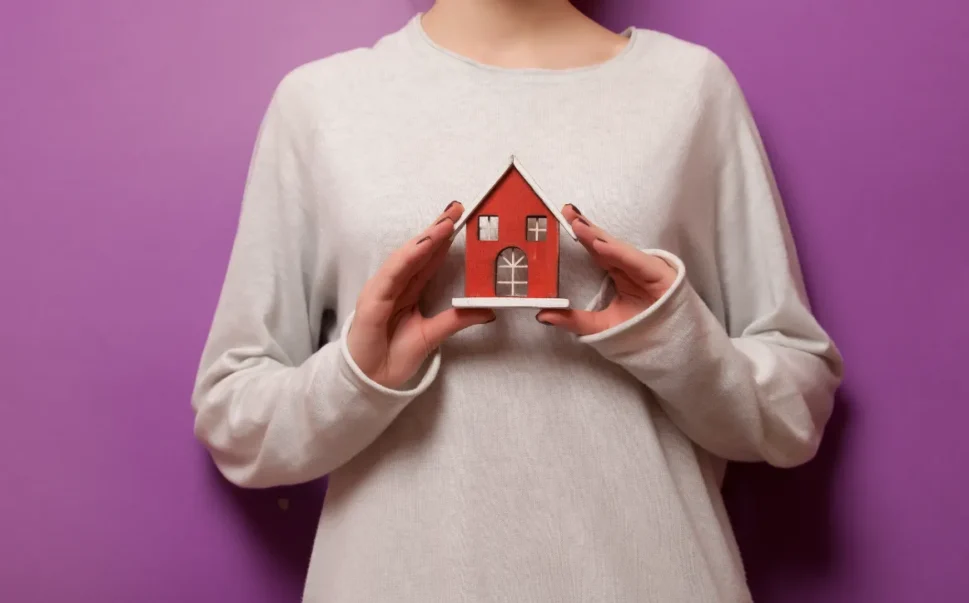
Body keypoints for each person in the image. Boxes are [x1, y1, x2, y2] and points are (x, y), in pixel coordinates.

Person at [191, 0, 844, 600]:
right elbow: (233, 416)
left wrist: (673, 336)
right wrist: (355, 378)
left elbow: (795, 407)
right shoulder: (320, 105)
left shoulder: (691, 90)